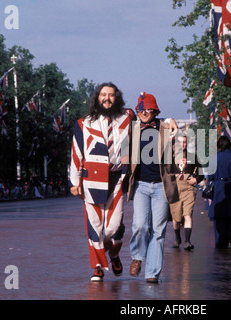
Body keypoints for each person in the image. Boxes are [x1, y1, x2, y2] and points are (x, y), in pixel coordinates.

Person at [69, 82, 133, 282]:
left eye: (111, 95)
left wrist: (169, 123)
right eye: (103, 94)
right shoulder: (84, 123)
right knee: (94, 226)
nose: (107, 98)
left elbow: (150, 124)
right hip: (92, 180)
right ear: (97, 98)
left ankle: (113, 254)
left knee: (113, 228)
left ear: (117, 97)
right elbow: (76, 153)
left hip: (117, 179)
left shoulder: (128, 119)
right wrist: (74, 181)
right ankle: (97, 266)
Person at [127, 92, 179, 284]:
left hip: (161, 187)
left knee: (158, 230)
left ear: (155, 110)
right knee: (140, 225)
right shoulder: (132, 129)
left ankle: (152, 272)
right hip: (140, 185)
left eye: (148, 109)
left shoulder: (165, 127)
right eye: (140, 109)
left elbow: (178, 143)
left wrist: (172, 120)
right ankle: (138, 257)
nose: (143, 112)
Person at [207, 136, 231, 248]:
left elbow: (210, 175)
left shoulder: (214, 158)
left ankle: (220, 239)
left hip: (218, 186)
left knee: (219, 215)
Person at [169, 134, 204, 250]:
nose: (182, 145)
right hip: (175, 188)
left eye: (184, 142)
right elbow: (163, 173)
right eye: (180, 142)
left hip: (189, 188)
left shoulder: (193, 157)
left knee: (187, 214)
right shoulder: (170, 157)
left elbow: (201, 172)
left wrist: (196, 179)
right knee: (176, 217)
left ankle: (187, 241)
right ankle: (177, 238)